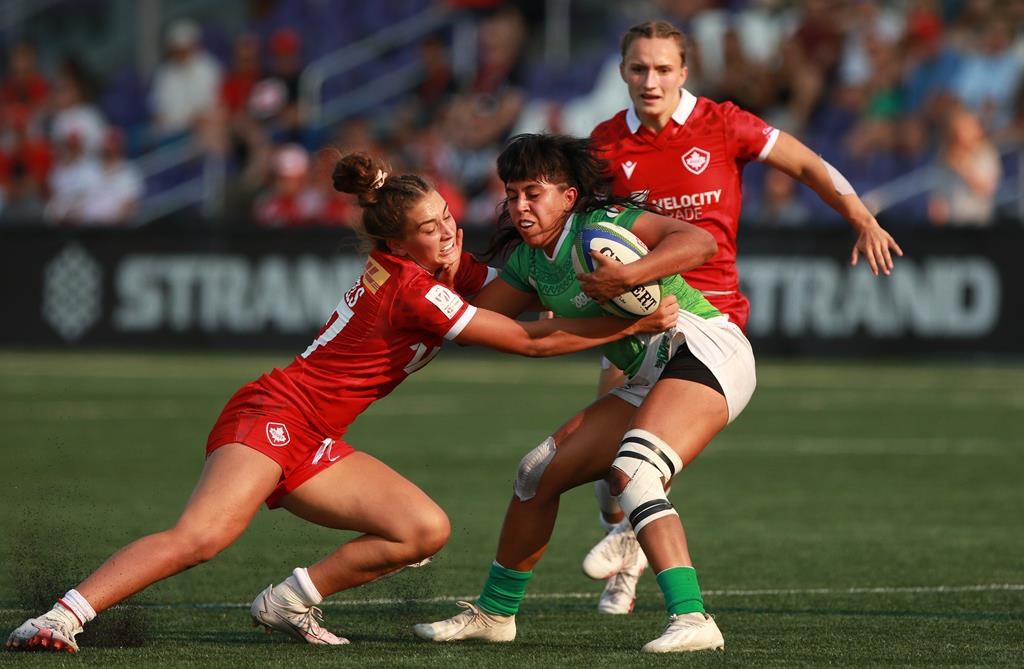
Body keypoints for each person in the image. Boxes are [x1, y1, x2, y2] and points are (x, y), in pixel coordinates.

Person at [5, 151, 678, 654]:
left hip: (316, 434)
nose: (448, 235)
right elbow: (526, 340)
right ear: (395, 244)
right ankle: (62, 615)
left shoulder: (445, 269)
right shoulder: (411, 286)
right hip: (275, 412)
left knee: (422, 529)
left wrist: (602, 263)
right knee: (203, 535)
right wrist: (631, 321)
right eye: (428, 229)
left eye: (447, 217)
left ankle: (290, 599)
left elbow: (530, 286)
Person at [580, 19, 904, 615]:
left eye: (662, 69)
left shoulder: (723, 123)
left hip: (708, 321)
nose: (649, 81)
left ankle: (635, 546)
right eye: (637, 69)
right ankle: (621, 542)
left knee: (642, 455)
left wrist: (859, 214)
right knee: (606, 473)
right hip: (635, 315)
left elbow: (807, 164)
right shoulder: (601, 146)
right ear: (623, 72)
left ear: (684, 71)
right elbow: (577, 230)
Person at [412, 132, 754, 653]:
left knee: (634, 471)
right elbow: (476, 320)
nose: (520, 206)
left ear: (569, 197)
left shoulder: (600, 228)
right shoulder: (531, 263)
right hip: (649, 375)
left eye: (534, 192)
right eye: (511, 194)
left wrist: (627, 278)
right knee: (535, 474)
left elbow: (700, 242)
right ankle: (496, 614)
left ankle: (694, 619)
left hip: (704, 347)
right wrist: (443, 262)